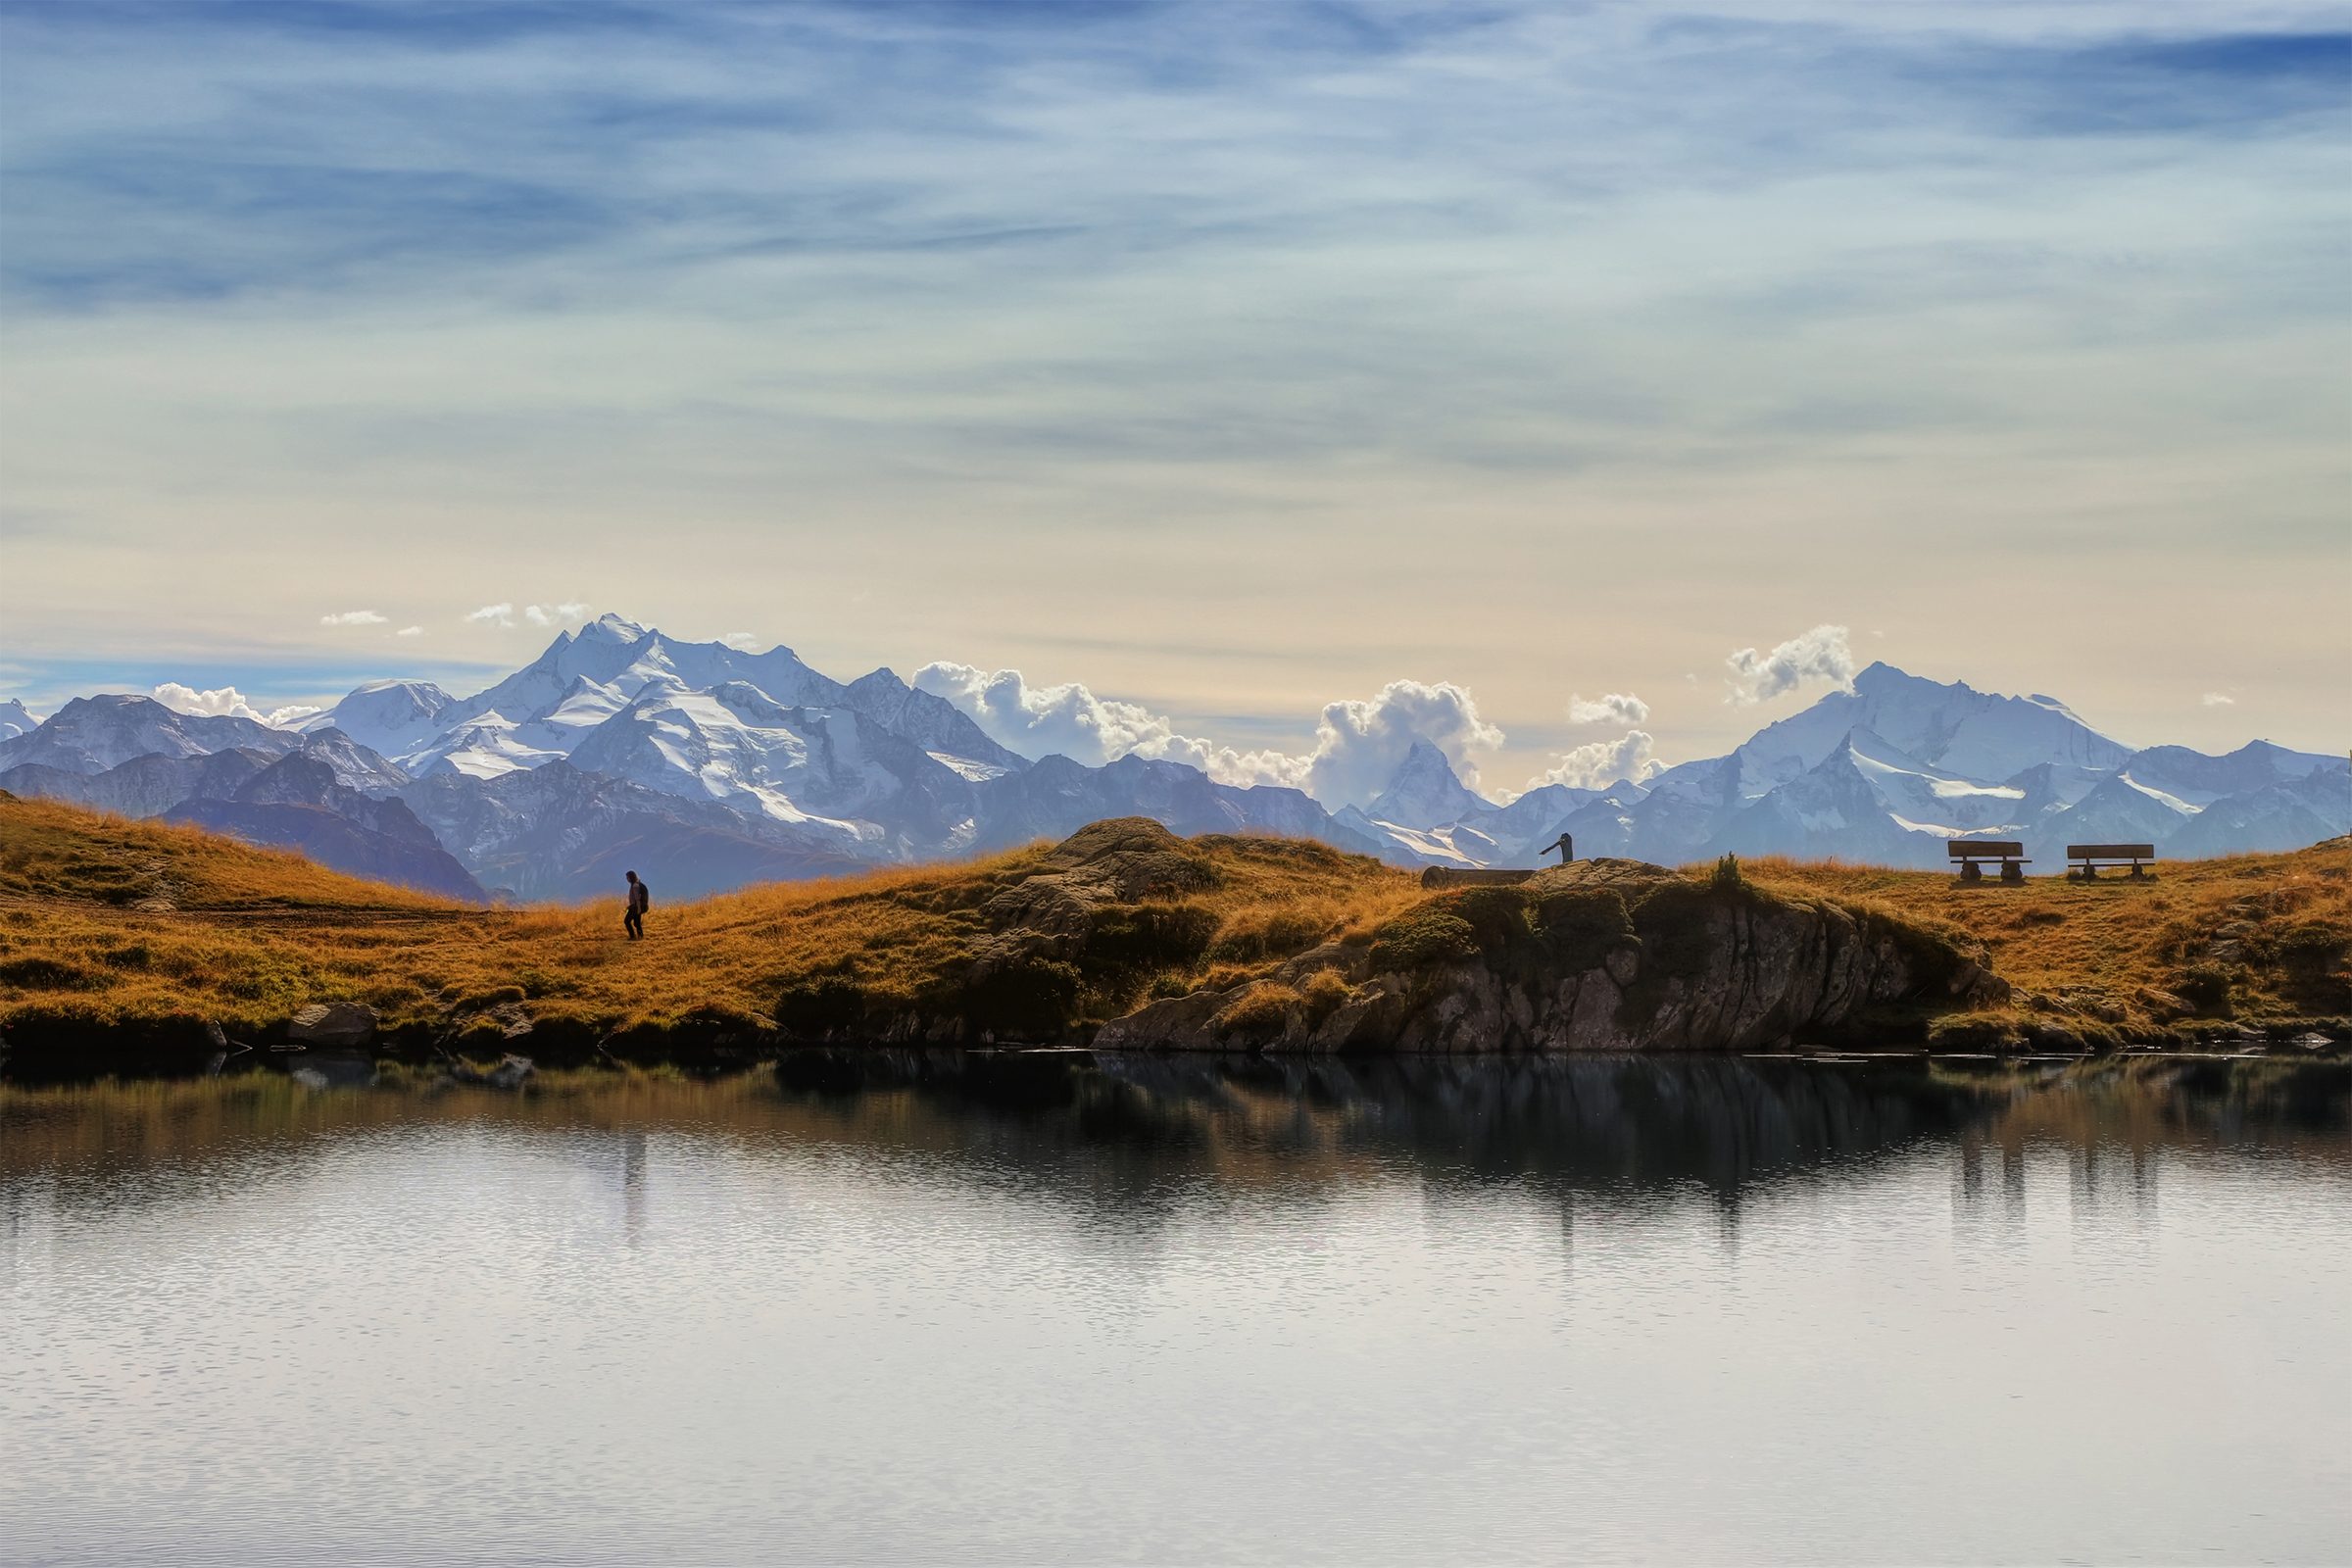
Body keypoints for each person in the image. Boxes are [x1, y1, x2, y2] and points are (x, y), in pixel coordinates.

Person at [623, 869, 650, 940]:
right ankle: (640, 936)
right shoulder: (637, 884)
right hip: (638, 907)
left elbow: (637, 899)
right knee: (637, 923)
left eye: (627, 877)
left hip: (636, 907)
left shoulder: (635, 886)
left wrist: (638, 909)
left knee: (627, 921)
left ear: (631, 877)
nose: (627, 879)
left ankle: (632, 936)